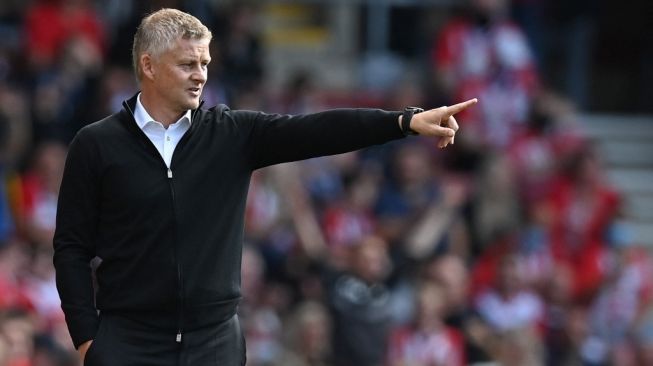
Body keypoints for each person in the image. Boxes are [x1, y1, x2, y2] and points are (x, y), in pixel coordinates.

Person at [52, 8, 477, 366]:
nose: (200, 75)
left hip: (214, 343)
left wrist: (402, 122)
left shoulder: (231, 133)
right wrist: (88, 339)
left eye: (205, 63)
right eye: (188, 64)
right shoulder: (97, 144)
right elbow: (71, 247)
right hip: (128, 342)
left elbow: (318, 131)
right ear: (148, 65)